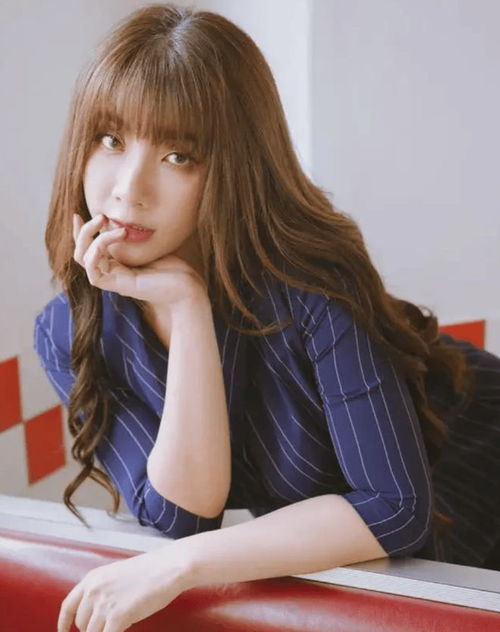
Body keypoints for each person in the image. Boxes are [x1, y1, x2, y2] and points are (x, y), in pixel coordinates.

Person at [33, 3, 500, 631]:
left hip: (474, 456)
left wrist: (181, 566)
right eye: (112, 140)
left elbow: (395, 507)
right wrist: (188, 309)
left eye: (180, 155)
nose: (129, 189)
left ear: (235, 166)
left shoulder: (311, 287)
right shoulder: (68, 330)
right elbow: (181, 516)